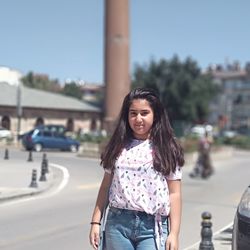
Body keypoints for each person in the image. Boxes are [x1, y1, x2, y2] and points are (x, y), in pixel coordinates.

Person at [89, 88, 185, 250]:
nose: (138, 119)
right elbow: (106, 186)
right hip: (117, 224)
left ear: (155, 115)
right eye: (133, 113)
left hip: (152, 228)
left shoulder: (167, 148)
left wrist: (174, 234)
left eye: (144, 113)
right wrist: (95, 222)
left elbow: (174, 194)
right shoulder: (118, 146)